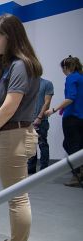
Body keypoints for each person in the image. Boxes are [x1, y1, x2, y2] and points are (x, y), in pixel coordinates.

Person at [0, 14, 41, 241]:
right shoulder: (18, 65)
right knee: (16, 196)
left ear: (10, 37)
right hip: (14, 134)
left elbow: (9, 106)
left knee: (17, 197)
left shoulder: (19, 65)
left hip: (13, 135)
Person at [46, 56, 83, 187]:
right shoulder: (81, 77)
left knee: (70, 145)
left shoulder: (71, 78)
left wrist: (54, 110)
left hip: (72, 117)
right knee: (80, 146)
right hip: (81, 117)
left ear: (65, 67)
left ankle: (77, 174)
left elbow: (71, 98)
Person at [27, 78, 54, 174]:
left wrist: (39, 117)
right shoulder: (27, 85)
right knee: (31, 145)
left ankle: (44, 169)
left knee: (42, 144)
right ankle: (31, 167)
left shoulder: (47, 83)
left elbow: (47, 103)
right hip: (28, 121)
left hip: (41, 120)